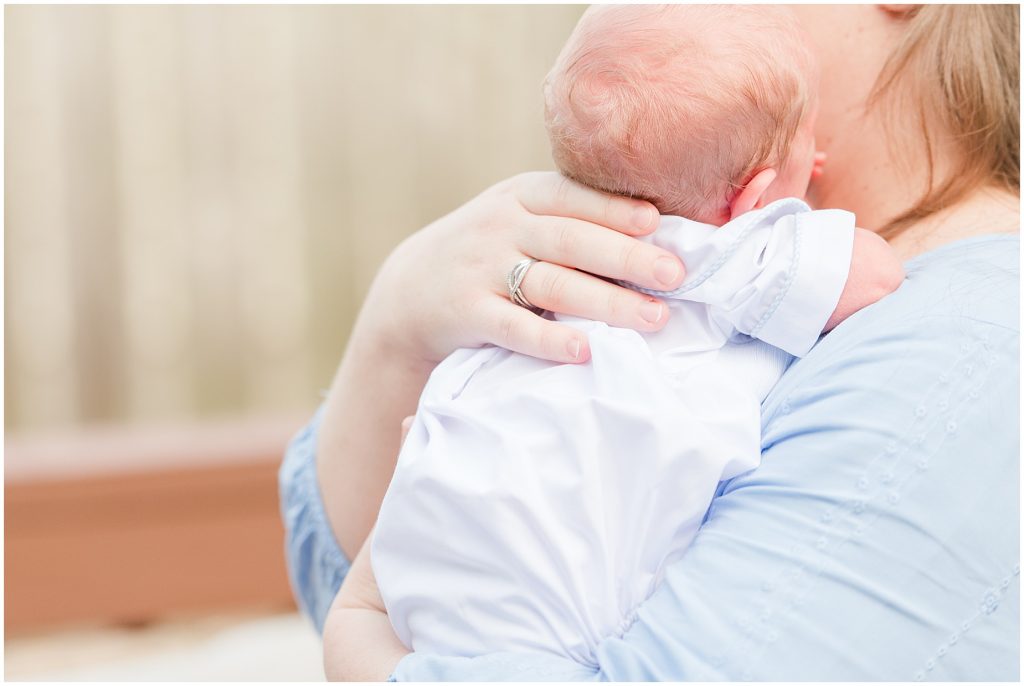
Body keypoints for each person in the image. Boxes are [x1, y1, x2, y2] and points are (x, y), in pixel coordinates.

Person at [278, 4, 1019, 681]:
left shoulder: (961, 359)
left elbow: (400, 624)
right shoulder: (740, 279)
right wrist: (398, 323)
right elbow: (363, 590)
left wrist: (372, 656)